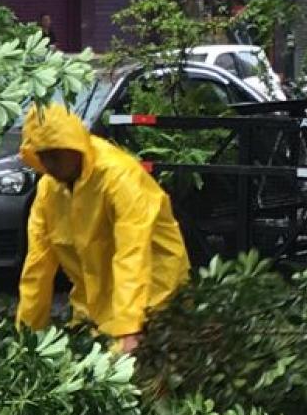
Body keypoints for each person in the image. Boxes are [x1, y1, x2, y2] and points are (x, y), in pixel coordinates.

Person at [16, 103, 189, 355]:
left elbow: (133, 253)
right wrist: (27, 335)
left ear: (72, 145)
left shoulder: (119, 177)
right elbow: (37, 266)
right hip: (96, 308)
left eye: (54, 153)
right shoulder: (49, 191)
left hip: (154, 296)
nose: (48, 163)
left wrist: (130, 328)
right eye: (42, 155)